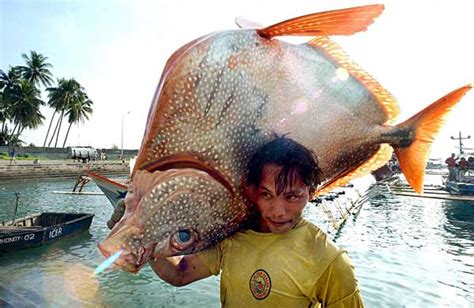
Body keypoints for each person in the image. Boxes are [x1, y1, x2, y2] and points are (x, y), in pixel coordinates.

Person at [148, 136, 364, 307]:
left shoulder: (329, 260)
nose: (278, 211)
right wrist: (143, 238)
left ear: (311, 191)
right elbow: (180, 274)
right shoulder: (232, 235)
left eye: (291, 196)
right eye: (266, 195)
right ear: (252, 192)